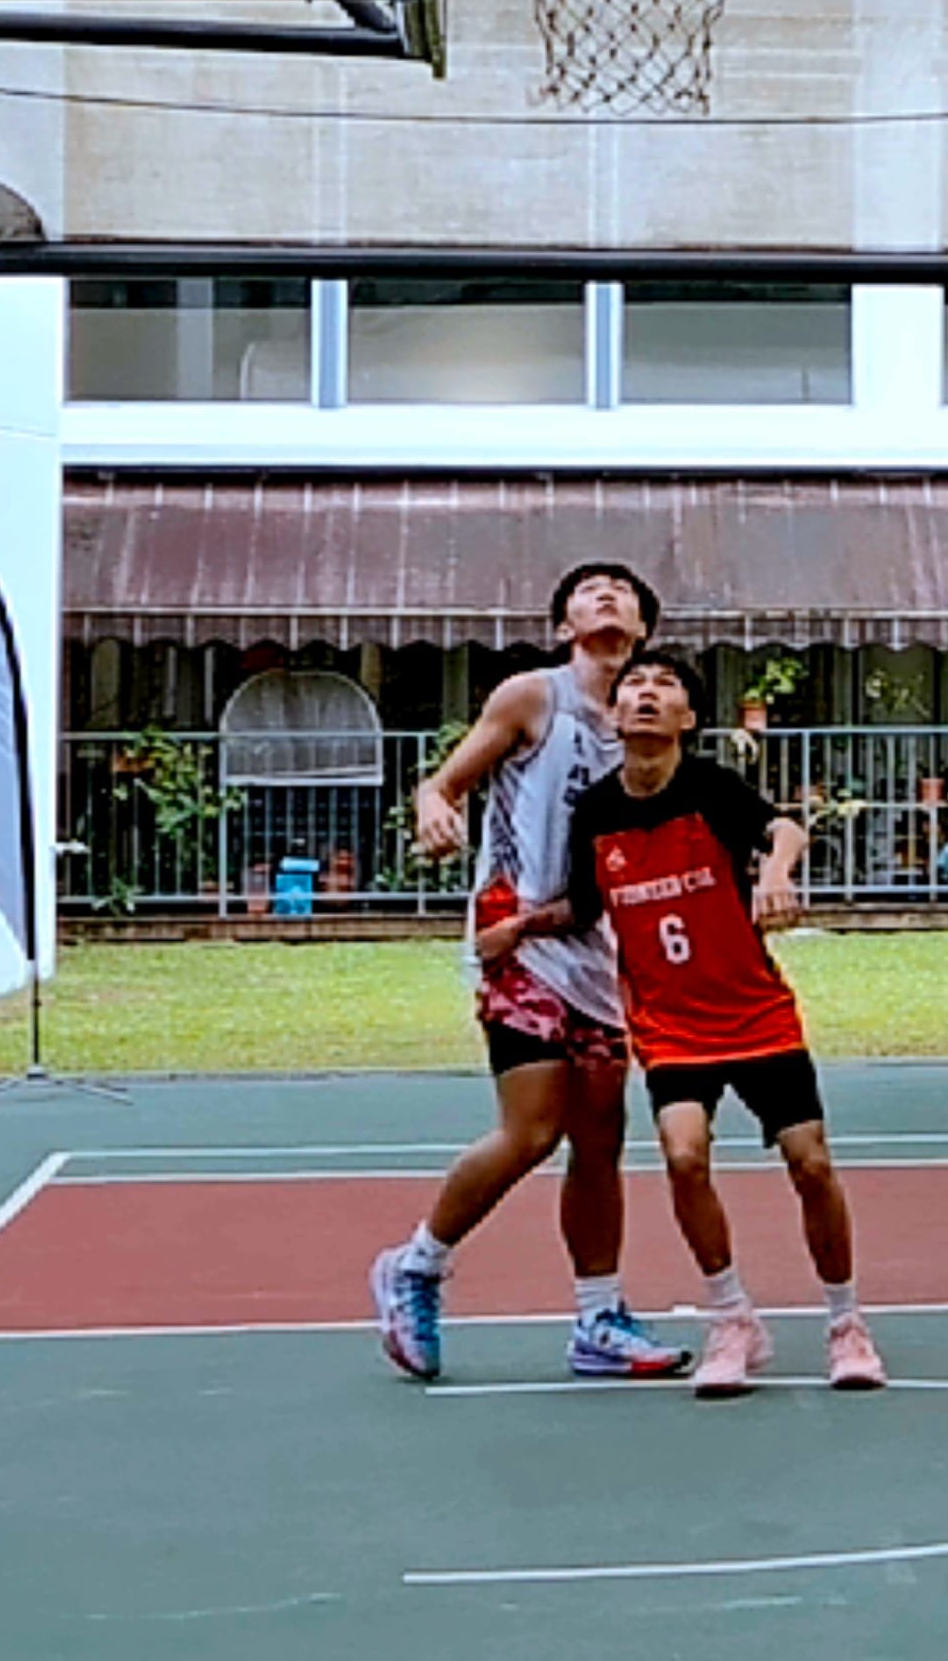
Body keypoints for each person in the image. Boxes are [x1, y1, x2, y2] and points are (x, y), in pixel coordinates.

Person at [368, 561, 691, 1382]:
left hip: (598, 954)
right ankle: (415, 1266)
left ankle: (598, 1318)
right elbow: (443, 784)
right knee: (533, 1129)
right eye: (590, 589)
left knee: (600, 1139)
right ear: (562, 626)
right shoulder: (532, 698)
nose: (607, 594)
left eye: (623, 591)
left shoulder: (648, 728)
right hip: (518, 941)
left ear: (644, 630)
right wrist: (435, 808)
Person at [535, 652, 879, 1397]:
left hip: (754, 1013)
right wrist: (517, 927)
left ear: (687, 718)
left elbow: (785, 830)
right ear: (614, 714)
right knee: (684, 1156)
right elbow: (585, 908)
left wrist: (776, 873)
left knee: (810, 1163)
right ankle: (731, 1318)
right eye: (634, 685)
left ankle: (846, 1324)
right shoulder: (595, 812)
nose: (646, 694)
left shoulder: (712, 789)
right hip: (671, 1026)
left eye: (665, 687)